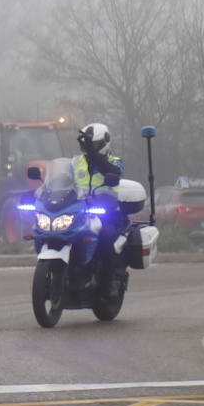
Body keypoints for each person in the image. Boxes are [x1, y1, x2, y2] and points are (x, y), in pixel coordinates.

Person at [73, 122, 126, 297]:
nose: (88, 149)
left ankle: (109, 281)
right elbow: (62, 179)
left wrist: (93, 154)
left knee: (106, 235)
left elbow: (110, 171)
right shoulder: (76, 162)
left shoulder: (115, 162)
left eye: (93, 145)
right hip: (80, 209)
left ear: (104, 143)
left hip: (108, 212)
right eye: (86, 145)